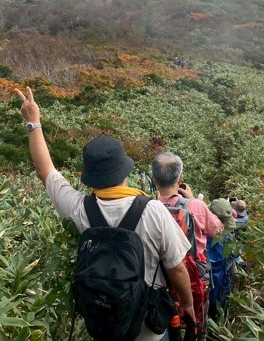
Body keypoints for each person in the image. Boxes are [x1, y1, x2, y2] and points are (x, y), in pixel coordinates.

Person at [15, 87, 195, 340]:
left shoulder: (79, 208)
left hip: (102, 318)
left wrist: (33, 123)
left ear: (89, 177)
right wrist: (187, 305)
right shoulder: (153, 210)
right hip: (146, 324)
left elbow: (47, 171)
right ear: (125, 172)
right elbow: (176, 268)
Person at [151, 152, 223, 335]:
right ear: (180, 178)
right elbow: (217, 230)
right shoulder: (195, 206)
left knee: (165, 316)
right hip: (195, 273)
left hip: (160, 274)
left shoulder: (147, 207)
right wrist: (197, 201)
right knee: (197, 318)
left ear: (153, 179)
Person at [206, 198, 238, 318]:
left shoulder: (200, 232)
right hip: (220, 280)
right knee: (216, 310)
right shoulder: (228, 238)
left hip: (205, 279)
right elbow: (233, 256)